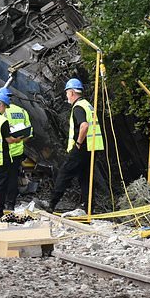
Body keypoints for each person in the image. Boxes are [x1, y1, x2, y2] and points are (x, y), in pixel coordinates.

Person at [47, 78, 105, 212]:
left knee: (64, 173)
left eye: (67, 92)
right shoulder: (87, 105)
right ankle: (89, 208)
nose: (66, 95)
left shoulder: (78, 107)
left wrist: (78, 143)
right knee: (85, 178)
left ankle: (51, 205)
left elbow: (84, 125)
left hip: (82, 147)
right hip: (92, 148)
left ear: (72, 92)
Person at [0, 87, 32, 212]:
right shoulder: (22, 111)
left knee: (1, 179)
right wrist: (19, 141)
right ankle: (11, 204)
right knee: (13, 178)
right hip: (17, 152)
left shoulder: (1, 112)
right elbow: (29, 133)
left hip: (4, 152)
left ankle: (1, 203)